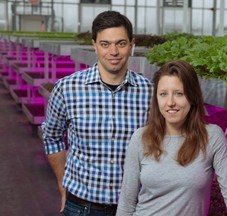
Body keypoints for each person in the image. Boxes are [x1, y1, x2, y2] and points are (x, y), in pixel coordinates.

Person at [41, 11, 153, 215]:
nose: (113, 51)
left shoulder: (150, 92)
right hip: (81, 207)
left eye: (121, 43)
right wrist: (61, 182)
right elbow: (52, 136)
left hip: (135, 208)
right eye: (105, 44)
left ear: (131, 44)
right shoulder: (67, 88)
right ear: (94, 45)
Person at [116, 60, 227, 216]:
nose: (170, 103)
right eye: (163, 94)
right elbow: (126, 203)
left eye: (179, 94)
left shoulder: (212, 137)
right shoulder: (140, 138)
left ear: (192, 97)